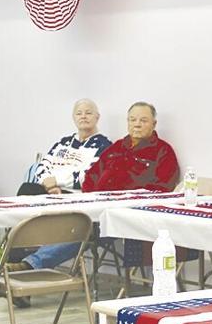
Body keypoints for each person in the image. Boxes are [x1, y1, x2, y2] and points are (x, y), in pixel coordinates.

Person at [18, 102, 179, 274]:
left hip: (125, 212)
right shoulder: (116, 147)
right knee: (36, 196)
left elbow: (163, 188)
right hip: (96, 205)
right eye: (132, 120)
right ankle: (18, 262)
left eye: (143, 120)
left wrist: (125, 200)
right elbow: (91, 177)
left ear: (154, 124)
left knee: (83, 228)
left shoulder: (163, 151)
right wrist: (90, 199)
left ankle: (30, 266)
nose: (137, 124)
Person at [18, 98, 112, 195]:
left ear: (97, 117)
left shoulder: (104, 146)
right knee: (26, 188)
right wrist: (48, 184)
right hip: (48, 189)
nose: (83, 116)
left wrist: (56, 181)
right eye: (79, 113)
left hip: (74, 194)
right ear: (73, 118)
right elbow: (43, 165)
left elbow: (92, 176)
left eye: (88, 113)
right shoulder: (63, 143)